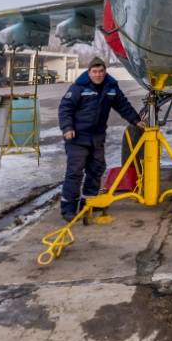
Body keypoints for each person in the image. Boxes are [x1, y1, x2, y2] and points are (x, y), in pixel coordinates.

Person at [57, 57, 141, 221]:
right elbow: (65, 109)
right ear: (89, 73)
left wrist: (136, 120)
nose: (98, 75)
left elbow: (123, 105)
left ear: (105, 72)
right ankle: (68, 208)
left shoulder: (111, 87)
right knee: (75, 172)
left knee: (96, 170)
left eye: (101, 71)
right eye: (94, 72)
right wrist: (67, 128)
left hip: (97, 137)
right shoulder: (78, 88)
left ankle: (89, 202)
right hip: (77, 137)